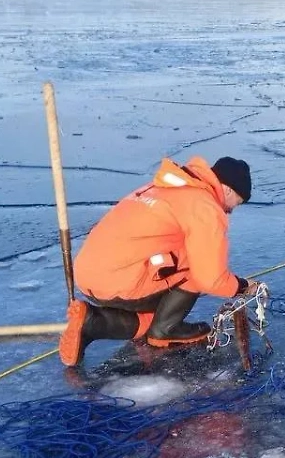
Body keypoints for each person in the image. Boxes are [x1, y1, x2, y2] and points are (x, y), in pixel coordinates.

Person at [59, 155, 262, 367]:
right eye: (235, 204)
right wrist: (241, 286)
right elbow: (209, 278)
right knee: (195, 267)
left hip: (88, 275)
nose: (230, 210)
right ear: (228, 189)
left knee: (151, 316)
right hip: (120, 280)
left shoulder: (164, 188)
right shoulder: (204, 206)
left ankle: (92, 322)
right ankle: (166, 329)